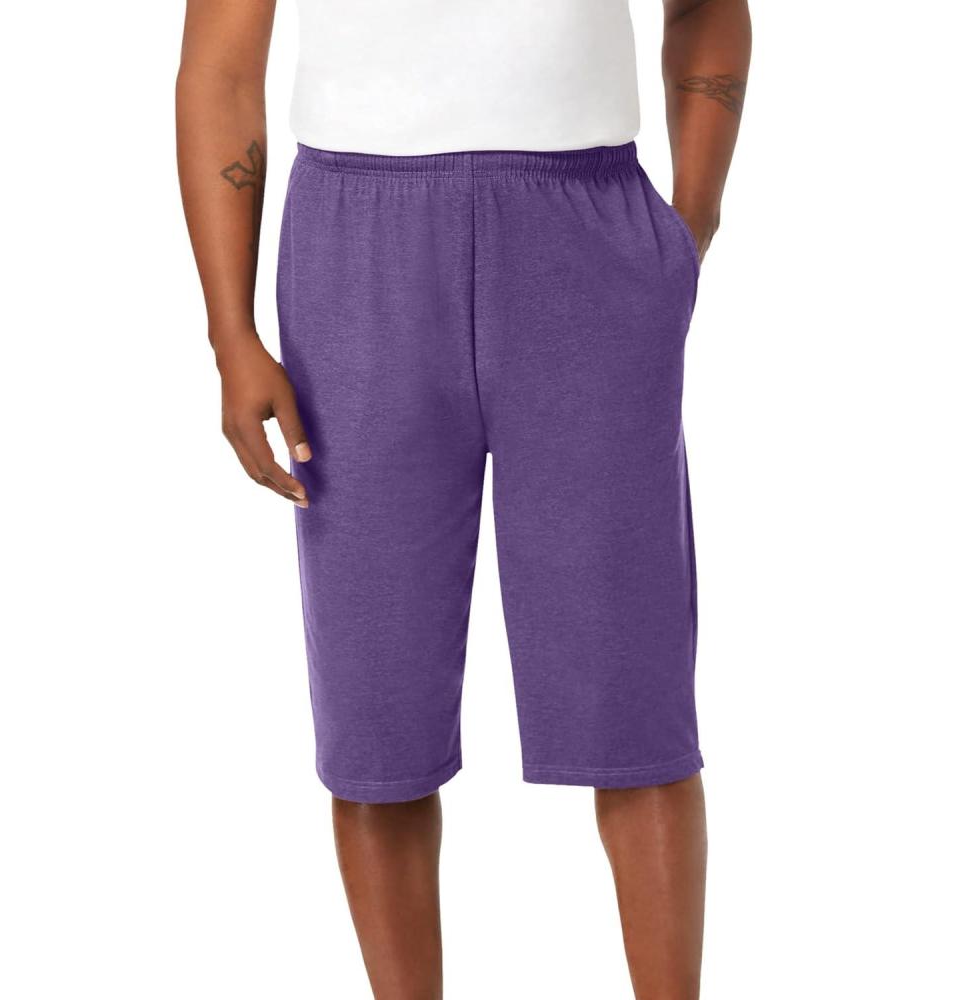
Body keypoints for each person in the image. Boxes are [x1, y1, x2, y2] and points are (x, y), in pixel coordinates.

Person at [176, 1, 750, 996]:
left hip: (588, 234)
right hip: (356, 248)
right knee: (375, 713)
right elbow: (220, 70)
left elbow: (706, 9)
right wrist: (231, 333)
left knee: (635, 696)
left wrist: (688, 226)